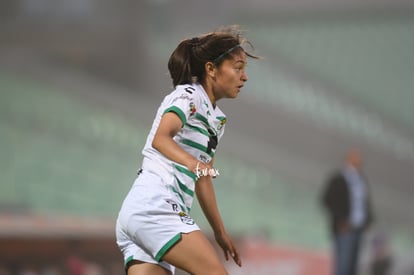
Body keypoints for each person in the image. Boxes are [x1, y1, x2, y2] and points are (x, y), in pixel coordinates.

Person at [115, 25, 259, 275]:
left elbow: (203, 181)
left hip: (143, 212)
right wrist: (194, 164)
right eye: (238, 68)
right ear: (211, 69)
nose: (244, 76)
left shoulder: (215, 120)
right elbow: (161, 138)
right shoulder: (189, 95)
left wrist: (220, 232)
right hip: (156, 205)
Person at [321, 149, 375, 275]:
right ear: (347, 160)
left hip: (359, 228)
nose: (358, 162)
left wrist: (368, 221)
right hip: (344, 229)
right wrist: (341, 219)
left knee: (353, 268)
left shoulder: (361, 180)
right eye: (355, 159)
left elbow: (365, 203)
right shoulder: (338, 179)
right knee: (343, 267)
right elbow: (326, 200)